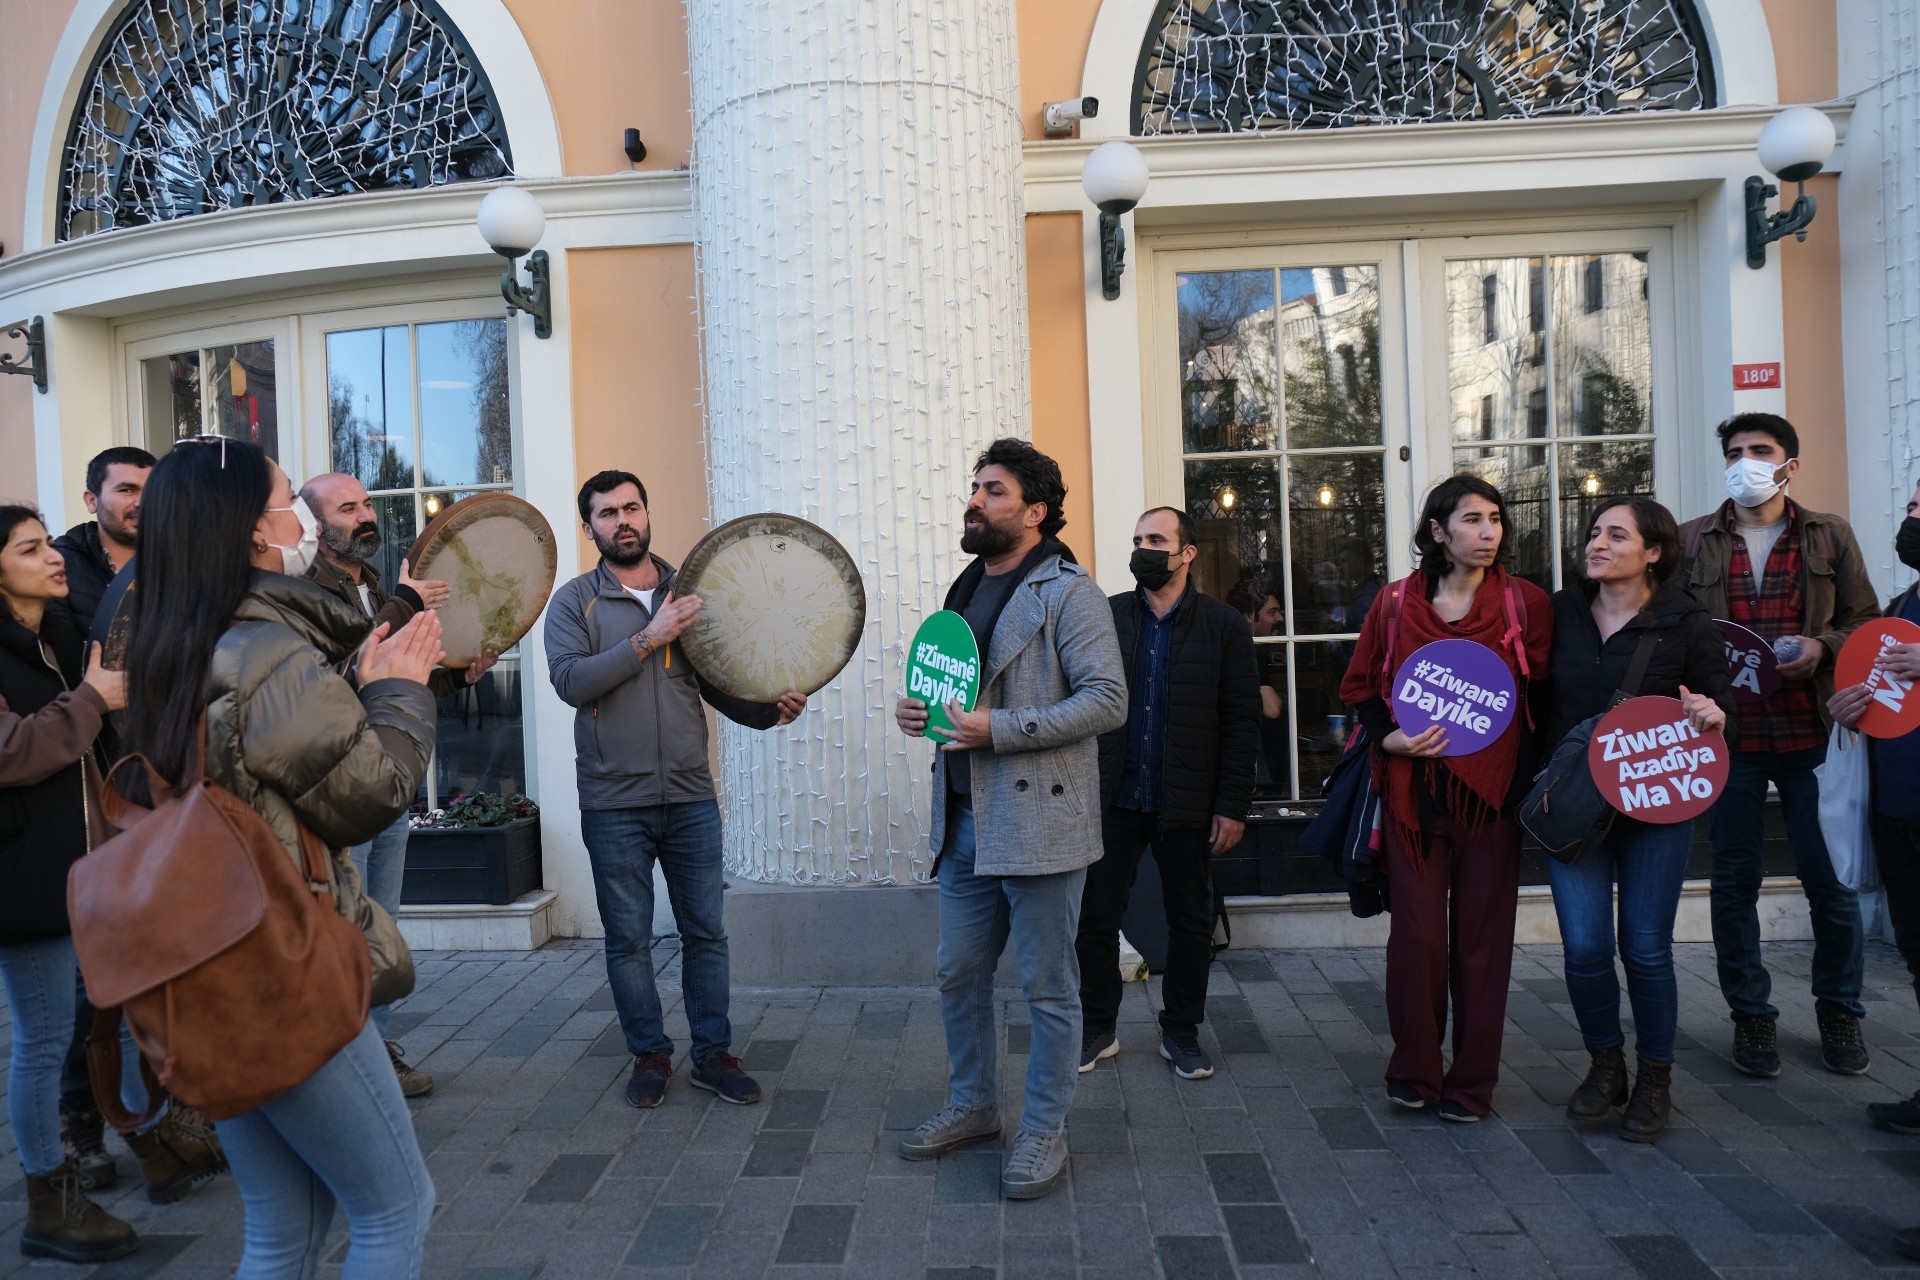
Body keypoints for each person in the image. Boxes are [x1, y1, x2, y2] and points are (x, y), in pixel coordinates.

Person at [122, 438, 441, 1276]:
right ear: (252, 534)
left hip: (213, 965)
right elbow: (369, 792)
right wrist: (397, 693)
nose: (301, 517)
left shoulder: (171, 641)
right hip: (289, 960)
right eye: (284, 502)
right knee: (395, 1210)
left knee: (281, 1227)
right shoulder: (263, 652)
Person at [893, 439, 1125, 1200]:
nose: (976, 499)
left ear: (1035, 510)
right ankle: (973, 1105)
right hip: (963, 821)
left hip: (1038, 823)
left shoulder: (1069, 593)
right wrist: (921, 714)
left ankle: (1044, 1128)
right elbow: (955, 697)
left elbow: (1106, 701)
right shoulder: (965, 590)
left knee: (1048, 988)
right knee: (957, 972)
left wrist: (999, 728)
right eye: (975, 487)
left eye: (993, 490)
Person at [545, 470, 806, 1111]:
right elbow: (571, 682)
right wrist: (646, 639)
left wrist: (768, 710)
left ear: (647, 512)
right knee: (629, 939)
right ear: (590, 529)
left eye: (632, 506)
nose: (622, 520)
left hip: (690, 797)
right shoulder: (573, 602)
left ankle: (713, 1056)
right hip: (613, 802)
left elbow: (715, 682)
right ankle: (650, 1056)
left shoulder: (691, 595)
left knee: (706, 933)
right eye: (607, 513)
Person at [1338, 475, 1551, 1122]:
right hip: (1413, 802)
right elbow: (1359, 689)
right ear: (1438, 531)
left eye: (1495, 519)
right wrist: (1391, 741)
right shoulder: (1397, 603)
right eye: (1472, 520)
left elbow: (1544, 702)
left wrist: (1518, 794)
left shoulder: (1525, 604)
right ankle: (1415, 1072)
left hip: (1493, 803)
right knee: (1419, 940)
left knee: (1483, 947)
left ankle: (1470, 1086)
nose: (1489, 533)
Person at [1679, 412, 1882, 1078]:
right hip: (1730, 739)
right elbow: (1674, 633)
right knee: (1734, 883)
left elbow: (1866, 624)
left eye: (1759, 451)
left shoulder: (1829, 535)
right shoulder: (1691, 542)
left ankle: (1840, 1010)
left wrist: (1825, 647)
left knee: (1830, 884)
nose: (1745, 462)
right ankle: (1753, 1019)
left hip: (1814, 735)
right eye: (1734, 452)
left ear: (1789, 464)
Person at [299, 472, 499, 1099]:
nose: (364, 516)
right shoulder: (307, 591)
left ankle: (374, 1050)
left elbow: (393, 678)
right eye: (346, 508)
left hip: (384, 778)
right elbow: (354, 658)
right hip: (337, 783)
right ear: (313, 524)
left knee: (380, 922)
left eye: (365, 505)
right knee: (340, 924)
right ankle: (334, 1056)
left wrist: (458, 677)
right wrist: (407, 603)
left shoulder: (378, 585)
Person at [1543, 498, 1733, 1143]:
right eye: (1594, 533)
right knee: (1586, 948)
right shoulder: (1560, 613)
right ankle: (1606, 1065)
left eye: (1616, 535)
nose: (1597, 543)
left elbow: (1718, 710)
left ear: (1653, 552)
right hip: (1573, 807)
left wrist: (1710, 714)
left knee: (1646, 949)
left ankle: (1656, 1077)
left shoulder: (1688, 623)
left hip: (1657, 805)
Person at [0, 505, 148, 1263]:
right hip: (24, 882)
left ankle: (128, 1142)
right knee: (43, 1039)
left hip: (85, 871)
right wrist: (93, 700)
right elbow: (14, 751)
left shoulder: (56, 640)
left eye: (48, 542)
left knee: (97, 1019)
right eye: (30, 549)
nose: (54, 555)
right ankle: (48, 1204)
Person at [1076, 506, 1259, 1081]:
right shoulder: (1108, 617)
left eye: (1156, 539)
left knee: (1189, 920)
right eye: (1137, 540)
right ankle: (1097, 1027)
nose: (1144, 550)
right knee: (1095, 915)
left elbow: (1241, 721)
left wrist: (1232, 804)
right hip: (1115, 796)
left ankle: (1180, 1031)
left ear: (1187, 553)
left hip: (1188, 800)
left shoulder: (1224, 626)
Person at [45, 447, 153, 1187]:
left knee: (157, 961)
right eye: (124, 491)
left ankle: (164, 1108)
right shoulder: (60, 574)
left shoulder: (170, 560)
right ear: (93, 500)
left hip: (157, 782)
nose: (138, 503)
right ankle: (80, 1124)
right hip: (87, 796)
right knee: (92, 981)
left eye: (149, 490)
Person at [1830, 477, 1920, 1260]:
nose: (1910, 515)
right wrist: (1851, 706)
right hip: (1901, 813)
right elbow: (1892, 698)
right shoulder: (1911, 598)